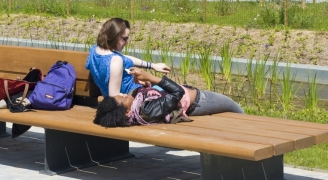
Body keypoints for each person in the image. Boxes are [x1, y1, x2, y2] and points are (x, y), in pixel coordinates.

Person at [93, 67, 244, 128]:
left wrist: (144, 83)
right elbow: (177, 93)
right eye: (123, 98)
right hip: (199, 101)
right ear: (126, 112)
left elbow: (152, 96)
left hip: (192, 96)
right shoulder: (146, 110)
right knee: (236, 109)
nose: (123, 94)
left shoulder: (136, 106)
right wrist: (151, 77)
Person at [85, 18, 170, 97]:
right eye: (124, 39)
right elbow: (114, 97)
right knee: (175, 91)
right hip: (134, 96)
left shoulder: (95, 49)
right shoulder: (116, 61)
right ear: (114, 36)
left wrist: (152, 65)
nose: (126, 43)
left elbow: (122, 57)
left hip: (138, 89)